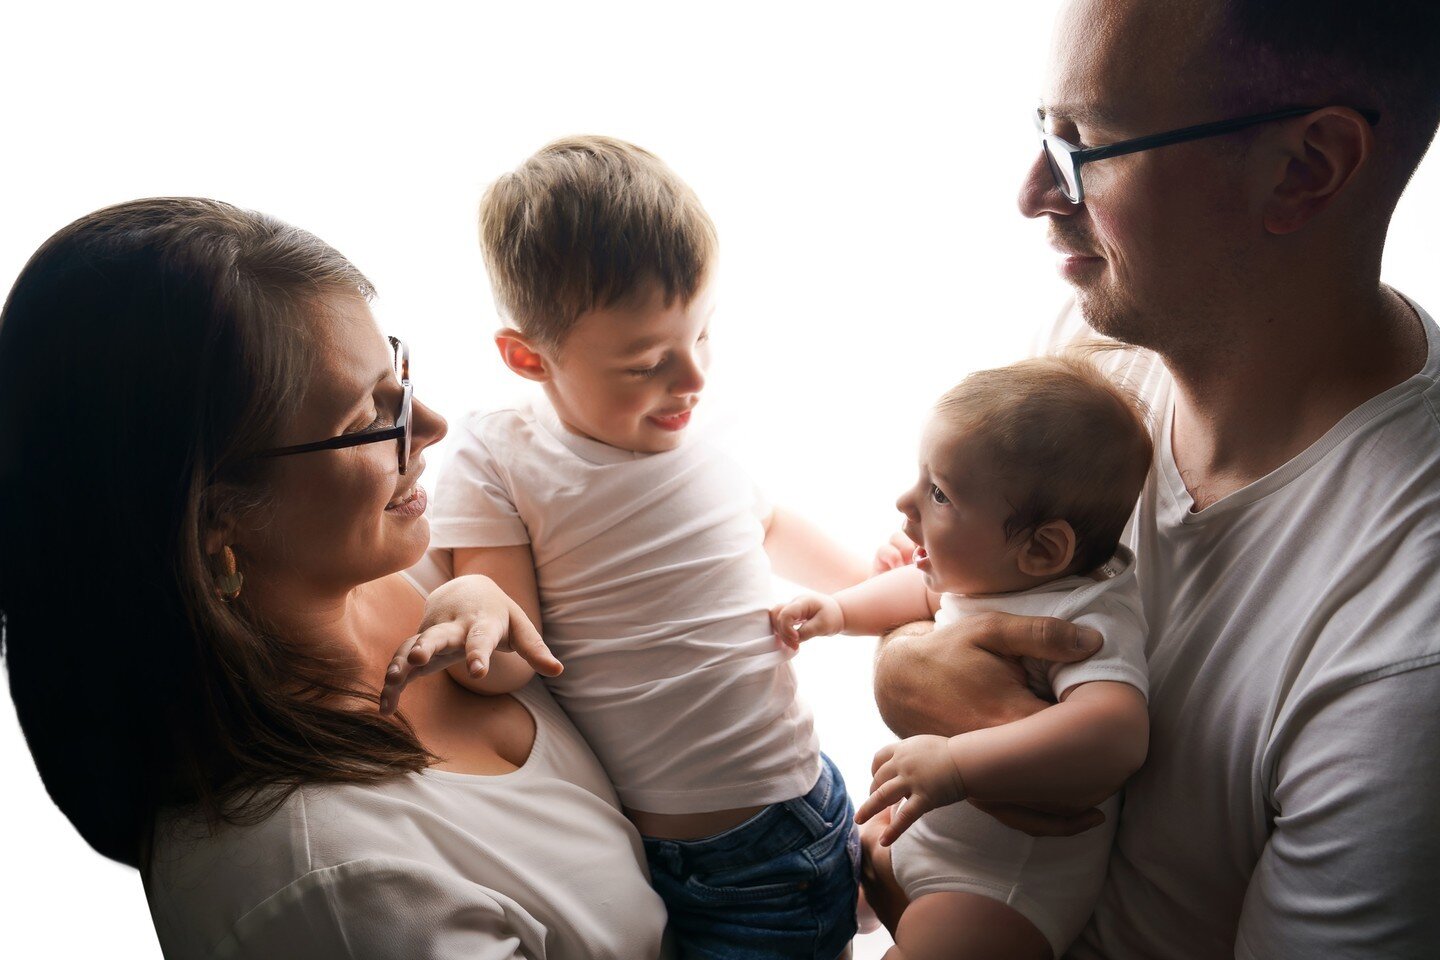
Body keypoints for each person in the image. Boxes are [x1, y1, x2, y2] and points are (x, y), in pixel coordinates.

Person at [867, 0, 1440, 956]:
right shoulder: (1094, 359)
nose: (1032, 193)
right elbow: (951, 598)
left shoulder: (1404, 653)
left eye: (1084, 145)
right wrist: (901, 670)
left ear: (1305, 169)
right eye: (1044, 132)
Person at [0, 197, 671, 958]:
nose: (432, 426)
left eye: (399, 376)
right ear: (216, 518)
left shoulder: (397, 562)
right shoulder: (332, 891)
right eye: (363, 422)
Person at [383, 136, 869, 959]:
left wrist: (880, 592)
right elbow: (510, 660)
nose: (693, 379)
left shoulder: (703, 431)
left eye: (704, 336)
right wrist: (472, 613)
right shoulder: (501, 456)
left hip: (790, 816)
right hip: (676, 852)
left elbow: (772, 525)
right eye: (648, 363)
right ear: (527, 358)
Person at [772, 356, 1151, 960]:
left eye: (939, 493)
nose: (905, 502)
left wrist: (957, 763)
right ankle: (866, 896)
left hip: (994, 888)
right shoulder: (991, 568)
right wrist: (841, 612)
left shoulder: (1085, 616)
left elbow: (1117, 732)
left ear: (1044, 548)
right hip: (921, 837)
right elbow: (923, 594)